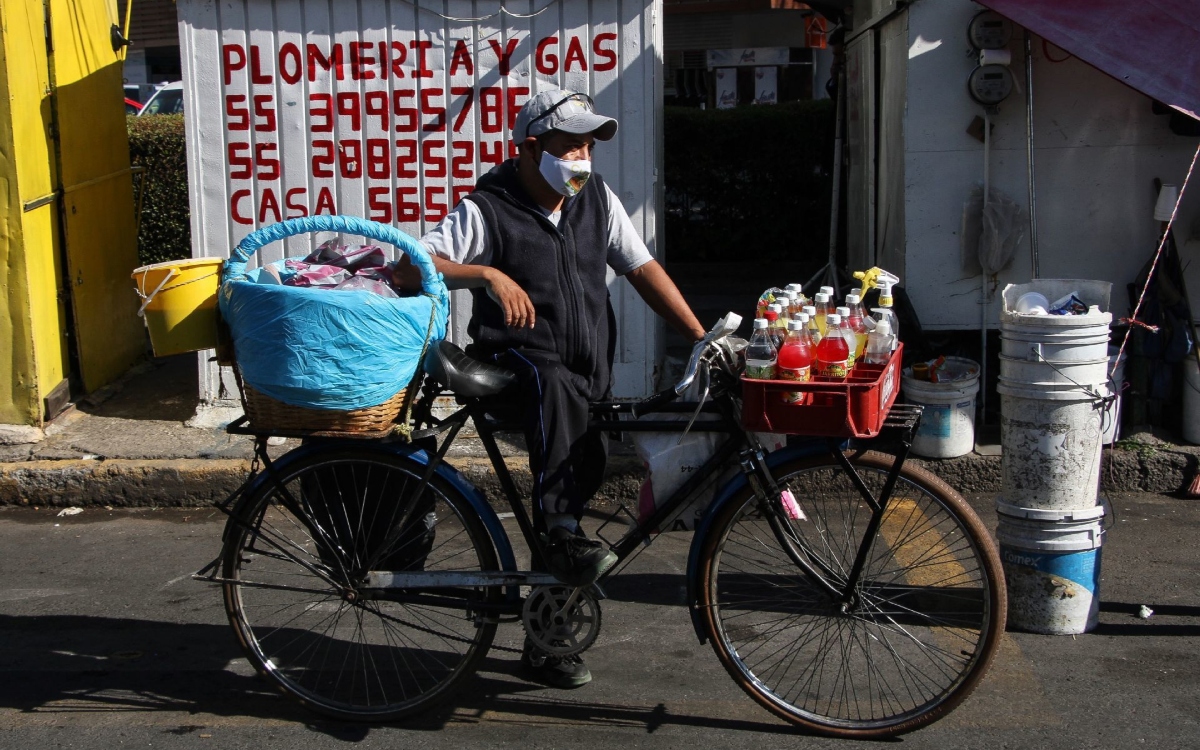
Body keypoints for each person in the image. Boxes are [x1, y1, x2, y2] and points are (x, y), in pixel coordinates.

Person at [396, 89, 705, 688]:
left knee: (569, 482)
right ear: (533, 148)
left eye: (589, 146)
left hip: (585, 377)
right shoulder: (487, 208)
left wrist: (700, 335)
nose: (584, 159)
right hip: (519, 372)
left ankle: (547, 641)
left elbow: (641, 269)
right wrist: (485, 272)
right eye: (571, 146)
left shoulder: (596, 201)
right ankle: (561, 536)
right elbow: (409, 270)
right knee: (563, 506)